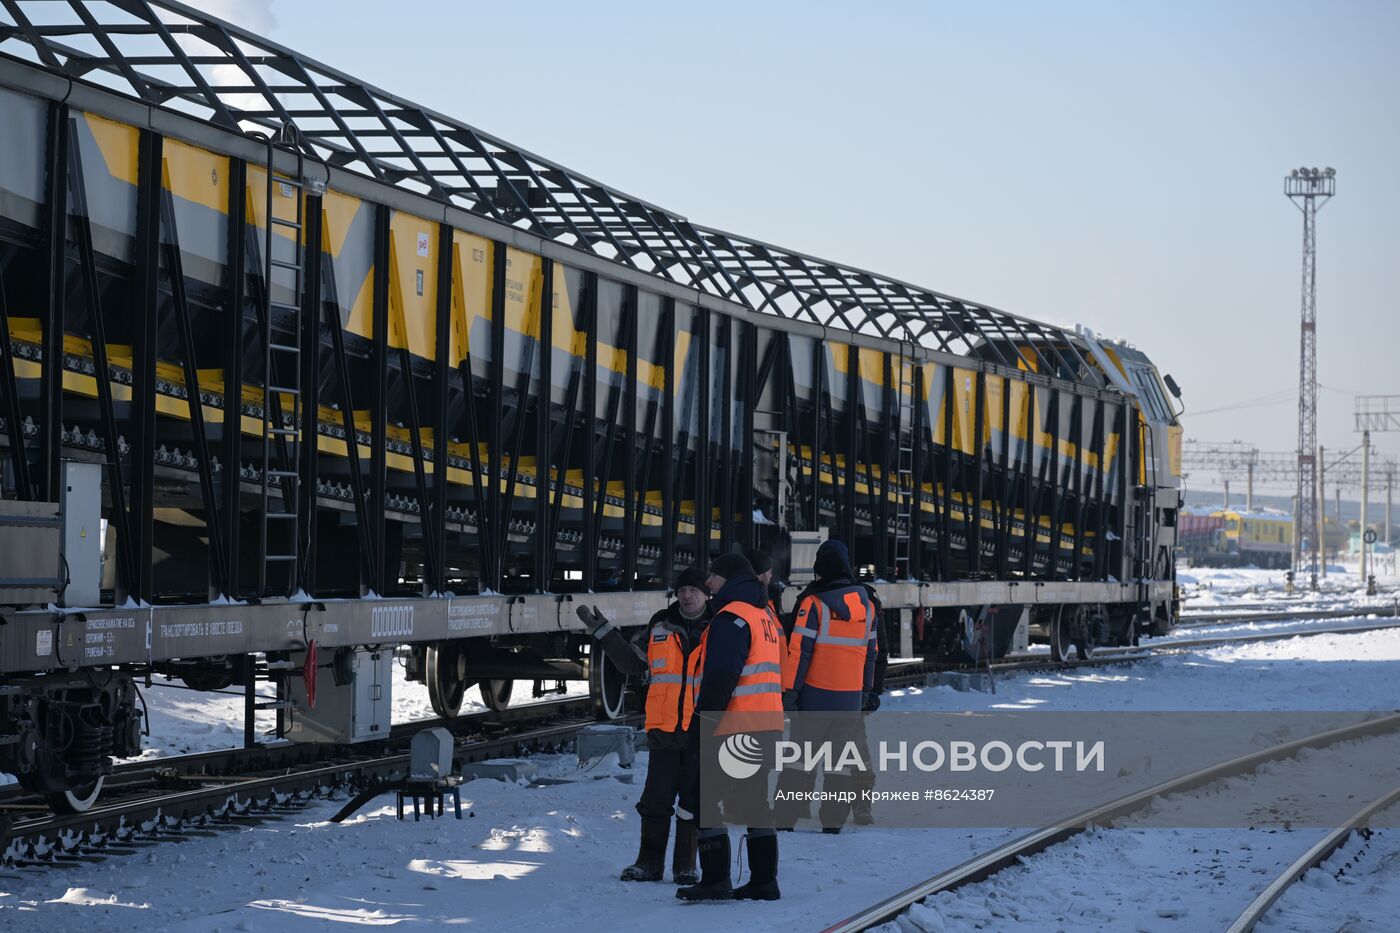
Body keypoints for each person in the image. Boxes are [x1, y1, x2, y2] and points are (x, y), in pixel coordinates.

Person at [580, 567, 710, 884]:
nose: (687, 596)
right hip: (664, 730)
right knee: (656, 800)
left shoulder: (719, 626)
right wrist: (605, 634)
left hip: (701, 731)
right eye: (681, 590)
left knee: (694, 802)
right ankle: (649, 864)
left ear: (706, 593)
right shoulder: (659, 625)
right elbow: (632, 663)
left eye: (693, 590)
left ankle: (686, 867)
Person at [676, 552, 785, 902]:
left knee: (706, 800)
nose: (708, 583)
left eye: (714, 576)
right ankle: (765, 881)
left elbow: (722, 677)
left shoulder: (731, 617)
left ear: (731, 579)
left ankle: (715, 880)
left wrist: (702, 725)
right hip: (765, 723)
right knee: (755, 805)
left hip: (734, 727)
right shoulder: (763, 615)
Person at [774, 538, 878, 831]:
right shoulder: (867, 606)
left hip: (815, 697)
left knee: (799, 760)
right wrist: (865, 692)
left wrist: (791, 693)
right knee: (840, 762)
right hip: (848, 700)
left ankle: (784, 819)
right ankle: (833, 822)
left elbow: (799, 653)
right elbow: (871, 655)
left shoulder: (813, 604)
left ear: (819, 572)